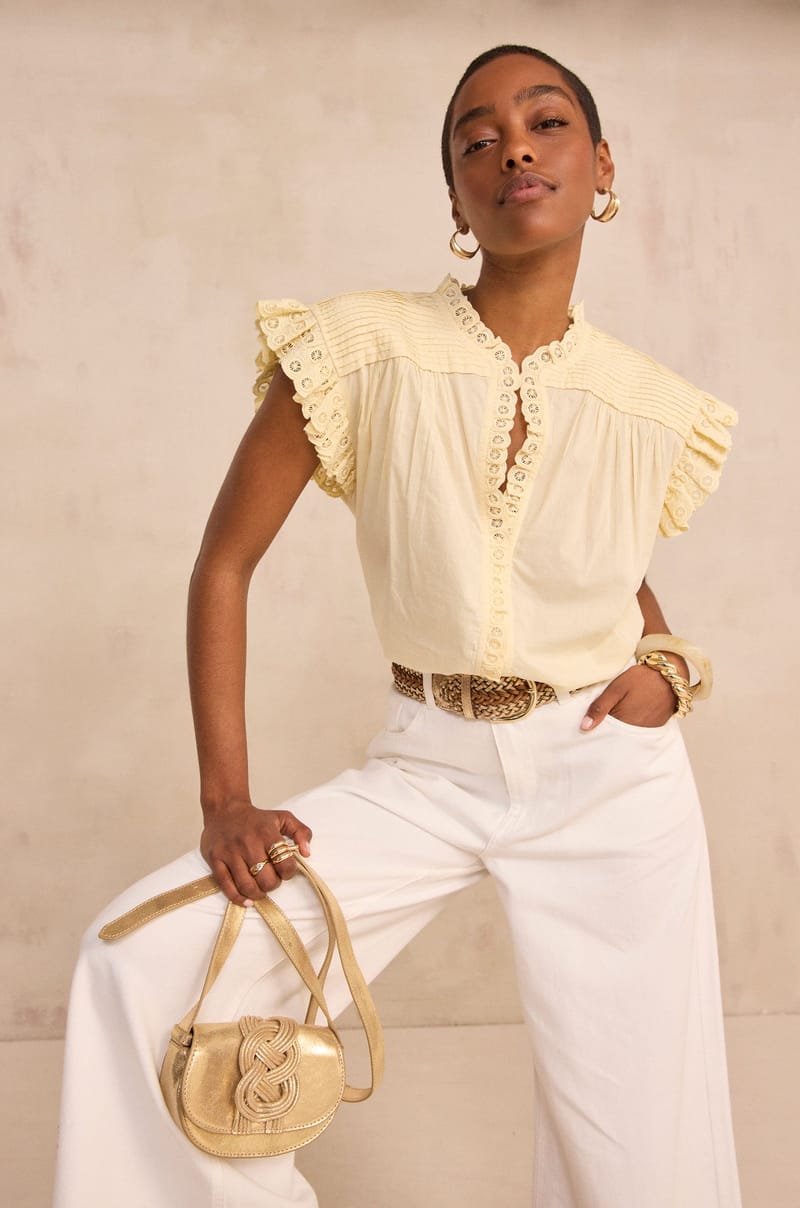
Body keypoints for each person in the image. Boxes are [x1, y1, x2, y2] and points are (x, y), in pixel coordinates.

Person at [53, 44, 743, 1208]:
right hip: (425, 764)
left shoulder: (649, 402)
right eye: (477, 138)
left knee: (641, 1142)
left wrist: (666, 665)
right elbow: (225, 561)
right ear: (456, 199)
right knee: (138, 957)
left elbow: (598, 560)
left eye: (544, 122)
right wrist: (226, 799)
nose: (512, 147)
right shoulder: (358, 348)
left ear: (600, 165)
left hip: (608, 776)